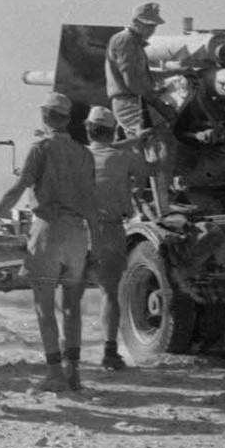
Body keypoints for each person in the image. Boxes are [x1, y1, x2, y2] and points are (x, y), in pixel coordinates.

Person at [0, 92, 97, 392]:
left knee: (44, 308)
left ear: (45, 117)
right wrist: (94, 241)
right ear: (68, 119)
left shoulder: (40, 148)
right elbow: (91, 200)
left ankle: (54, 372)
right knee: (72, 308)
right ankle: (74, 372)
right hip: (77, 234)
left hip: (48, 232)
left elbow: (15, 191)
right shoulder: (85, 154)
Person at [85, 106, 150, 370]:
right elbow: (146, 172)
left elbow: (101, 148)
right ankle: (110, 353)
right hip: (110, 231)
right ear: (113, 131)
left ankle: (66, 354)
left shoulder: (76, 155)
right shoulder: (125, 158)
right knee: (110, 294)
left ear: (88, 129)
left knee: (70, 293)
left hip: (76, 230)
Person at [105, 1, 177, 211]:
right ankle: (161, 197)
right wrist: (156, 100)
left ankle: (141, 197)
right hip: (130, 101)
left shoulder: (134, 43)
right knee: (161, 144)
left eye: (154, 26)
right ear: (136, 22)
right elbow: (131, 82)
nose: (152, 30)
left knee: (143, 150)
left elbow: (144, 77)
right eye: (149, 25)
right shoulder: (124, 41)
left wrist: (176, 72)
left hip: (136, 99)